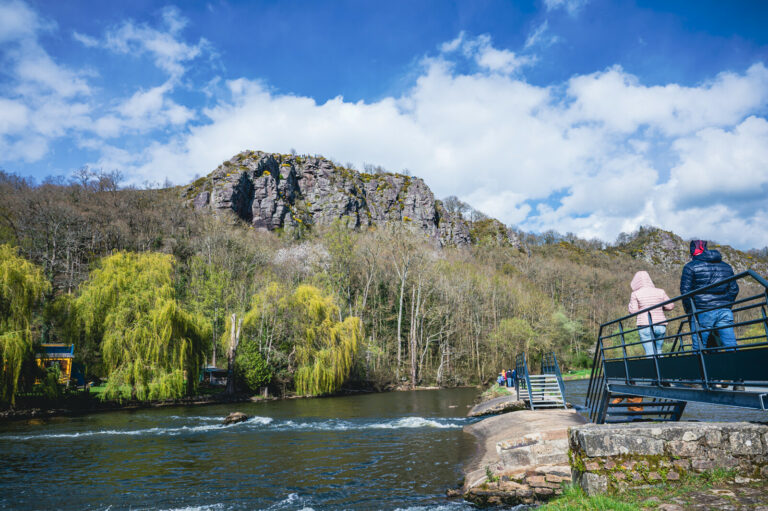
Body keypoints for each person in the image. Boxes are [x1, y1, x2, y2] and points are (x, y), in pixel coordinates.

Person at [680, 240, 739, 351]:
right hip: (724, 310)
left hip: (702, 310)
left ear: (693, 251)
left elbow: (685, 292)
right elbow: (734, 289)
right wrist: (726, 304)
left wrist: (690, 309)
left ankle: (700, 368)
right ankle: (737, 367)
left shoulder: (690, 267)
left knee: (699, 346)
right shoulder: (726, 266)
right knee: (730, 344)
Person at [628, 271, 674, 356]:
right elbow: (670, 306)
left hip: (644, 324)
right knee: (659, 350)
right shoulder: (660, 291)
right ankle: (661, 368)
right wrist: (660, 307)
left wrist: (630, 306)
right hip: (660, 323)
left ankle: (653, 369)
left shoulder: (635, 294)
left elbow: (633, 311)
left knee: (650, 353)